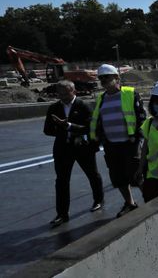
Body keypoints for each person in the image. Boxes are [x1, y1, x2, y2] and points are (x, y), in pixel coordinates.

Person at [89, 64, 147, 218]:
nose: (103, 81)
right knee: (118, 177)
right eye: (101, 78)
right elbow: (98, 120)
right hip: (111, 144)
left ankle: (150, 201)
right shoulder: (101, 98)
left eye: (106, 77)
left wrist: (136, 136)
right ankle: (130, 203)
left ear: (116, 77)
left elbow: (141, 116)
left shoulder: (130, 93)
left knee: (136, 174)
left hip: (130, 143)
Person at [44, 80, 104, 227]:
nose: (63, 96)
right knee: (61, 181)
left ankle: (98, 200)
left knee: (92, 174)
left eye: (66, 93)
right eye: (60, 94)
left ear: (74, 92)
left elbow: (90, 127)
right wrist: (60, 128)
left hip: (82, 147)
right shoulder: (53, 108)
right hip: (62, 149)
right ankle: (62, 214)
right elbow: (47, 130)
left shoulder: (83, 106)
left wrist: (70, 126)